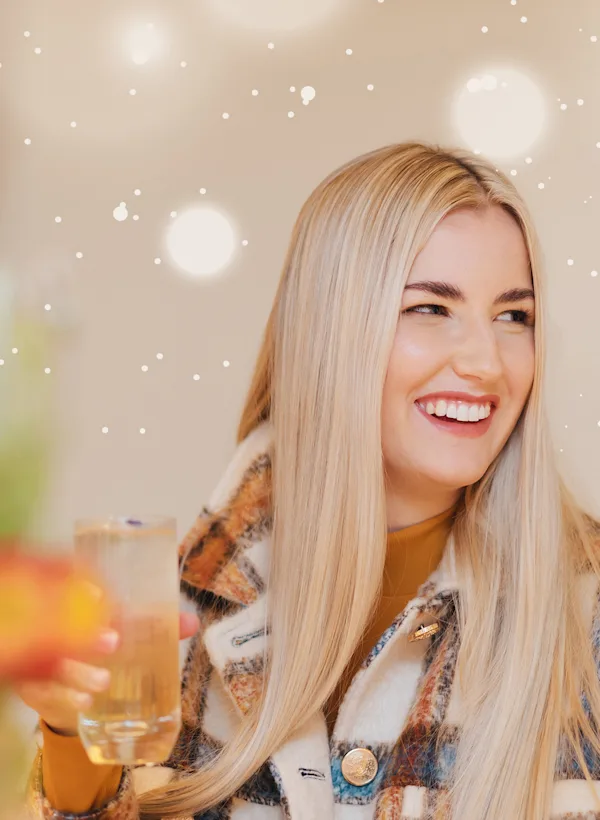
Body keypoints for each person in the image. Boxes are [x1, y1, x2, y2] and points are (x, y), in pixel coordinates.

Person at [20, 141, 600, 820]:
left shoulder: (582, 616)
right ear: (333, 329)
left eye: (513, 317)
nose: (485, 362)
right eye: (430, 309)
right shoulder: (194, 609)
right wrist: (71, 738)